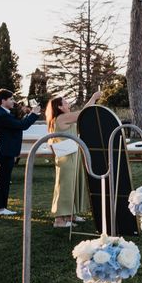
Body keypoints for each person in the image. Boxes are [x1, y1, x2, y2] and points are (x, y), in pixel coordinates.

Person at [46, 91, 101, 227]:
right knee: (66, 186)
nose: (68, 103)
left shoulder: (63, 117)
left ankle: (70, 215)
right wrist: (93, 97)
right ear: (59, 107)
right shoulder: (61, 118)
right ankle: (59, 220)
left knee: (73, 185)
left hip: (72, 154)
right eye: (65, 102)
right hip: (67, 157)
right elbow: (83, 114)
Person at [0, 89, 41, 216]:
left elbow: (18, 124)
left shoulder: (4, 113)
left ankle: (0, 207)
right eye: (11, 99)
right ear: (3, 101)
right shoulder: (1, 115)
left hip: (6, 150)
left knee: (3, 179)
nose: (13, 101)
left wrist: (29, 114)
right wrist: (34, 114)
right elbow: (22, 126)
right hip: (5, 150)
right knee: (3, 180)